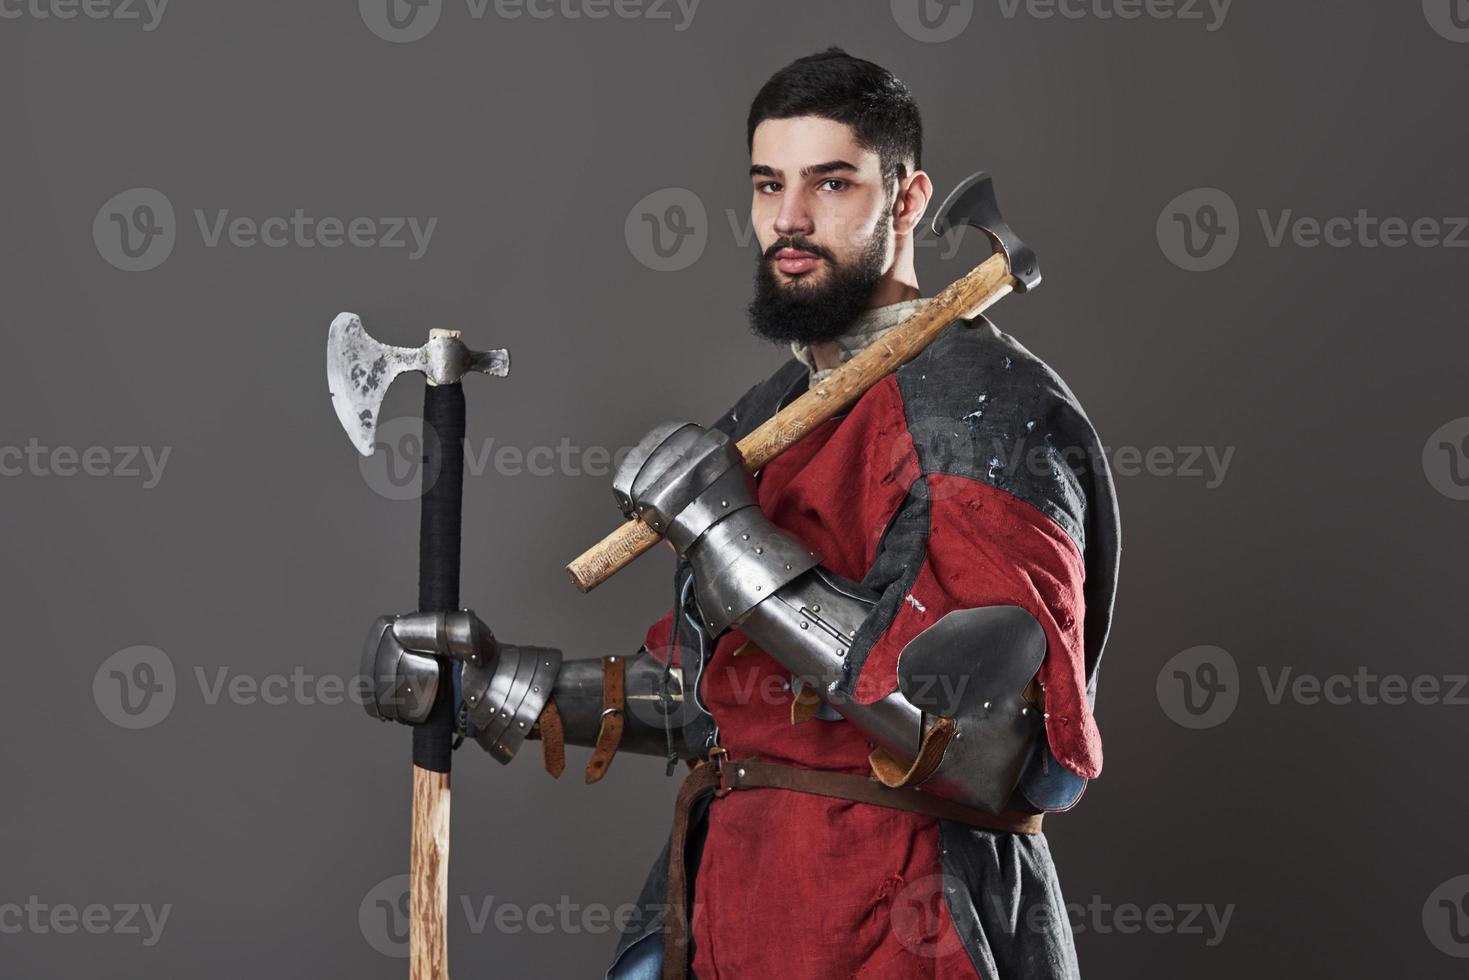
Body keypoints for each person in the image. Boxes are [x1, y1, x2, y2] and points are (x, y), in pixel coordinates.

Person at [363, 47, 1120, 980]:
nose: (789, 220)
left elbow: (980, 738)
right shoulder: (766, 416)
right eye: (768, 185)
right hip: (736, 901)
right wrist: (493, 685)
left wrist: (730, 538)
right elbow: (713, 696)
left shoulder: (987, 405)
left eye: (831, 183)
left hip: (905, 916)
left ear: (910, 199)